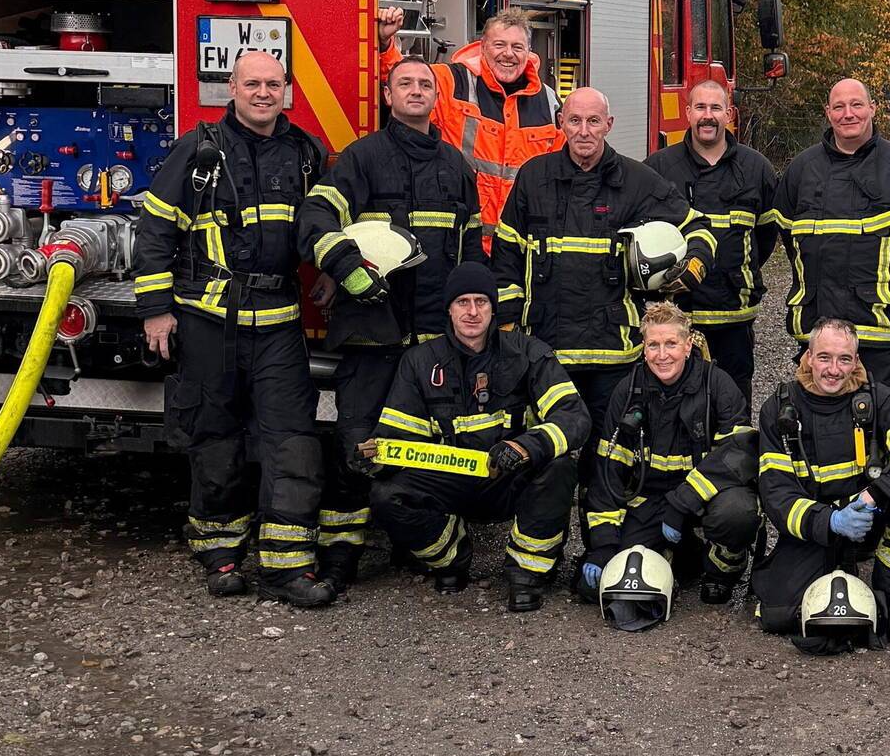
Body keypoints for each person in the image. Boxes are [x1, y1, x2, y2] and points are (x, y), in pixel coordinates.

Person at [132, 51, 334, 608]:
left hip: (278, 325)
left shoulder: (307, 153)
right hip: (206, 321)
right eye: (253, 84)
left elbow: (332, 224)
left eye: (274, 84)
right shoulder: (197, 153)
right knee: (213, 438)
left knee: (292, 441)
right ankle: (219, 554)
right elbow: (153, 232)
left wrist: (335, 278)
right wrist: (154, 309)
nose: (264, 93)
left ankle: (288, 565)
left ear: (287, 90)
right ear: (232, 87)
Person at [297, 55, 480, 588]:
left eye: (426, 83)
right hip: (372, 331)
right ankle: (339, 556)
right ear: (388, 95)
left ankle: (418, 542)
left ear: (436, 96)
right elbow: (315, 218)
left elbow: (469, 254)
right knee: (358, 443)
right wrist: (345, 269)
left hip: (433, 341)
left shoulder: (455, 167)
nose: (417, 90)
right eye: (406, 83)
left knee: (434, 442)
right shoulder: (361, 159)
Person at [363, 262, 593, 611]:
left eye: (482, 302)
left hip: (509, 477)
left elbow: (574, 417)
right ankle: (451, 560)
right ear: (449, 309)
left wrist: (525, 446)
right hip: (451, 483)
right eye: (463, 302)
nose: (473, 312)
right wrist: (373, 456)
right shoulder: (420, 362)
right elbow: (398, 436)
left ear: (493, 308)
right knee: (386, 495)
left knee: (559, 469)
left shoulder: (528, 353)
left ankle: (527, 573)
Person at [493, 86, 714, 428]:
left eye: (593, 121)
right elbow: (507, 254)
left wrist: (694, 264)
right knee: (550, 446)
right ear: (560, 123)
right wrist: (508, 325)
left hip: (613, 354)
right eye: (575, 120)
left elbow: (696, 226)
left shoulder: (636, 180)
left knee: (609, 449)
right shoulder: (534, 177)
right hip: (546, 349)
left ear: (608, 124)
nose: (584, 131)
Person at [754, 317, 890, 648]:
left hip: (870, 518)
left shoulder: (878, 400)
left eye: (844, 359)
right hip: (819, 526)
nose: (834, 369)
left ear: (856, 361)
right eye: (824, 357)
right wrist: (830, 521)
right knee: (779, 614)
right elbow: (777, 494)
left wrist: (875, 496)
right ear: (807, 357)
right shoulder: (779, 410)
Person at [577, 303, 760, 608]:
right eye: (654, 345)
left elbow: (738, 455)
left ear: (688, 345)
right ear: (643, 349)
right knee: (600, 587)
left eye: (671, 344)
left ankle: (722, 570)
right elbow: (608, 474)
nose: (662, 355)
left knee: (737, 511)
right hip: (651, 502)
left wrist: (683, 502)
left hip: (702, 499)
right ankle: (684, 557)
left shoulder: (717, 385)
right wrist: (603, 546)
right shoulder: (628, 391)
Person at [770, 78, 890, 394]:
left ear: (873, 109)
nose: (848, 114)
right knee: (818, 433)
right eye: (839, 106)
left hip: (882, 341)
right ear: (828, 112)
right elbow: (788, 242)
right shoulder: (801, 171)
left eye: (857, 105)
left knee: (881, 432)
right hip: (817, 338)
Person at [374, 5, 563, 241]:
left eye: (517, 47)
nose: (508, 54)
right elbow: (401, 79)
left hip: (519, 246)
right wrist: (385, 44)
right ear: (482, 47)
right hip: (461, 240)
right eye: (499, 45)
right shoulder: (450, 81)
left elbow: (563, 169)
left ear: (529, 52)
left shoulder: (547, 100)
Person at [646, 76, 778, 406]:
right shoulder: (660, 167)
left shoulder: (756, 168)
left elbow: (765, 236)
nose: (708, 115)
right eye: (701, 107)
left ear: (729, 114)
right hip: (675, 315)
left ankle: (734, 458)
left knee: (733, 401)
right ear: (688, 113)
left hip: (734, 315)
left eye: (716, 108)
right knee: (673, 402)